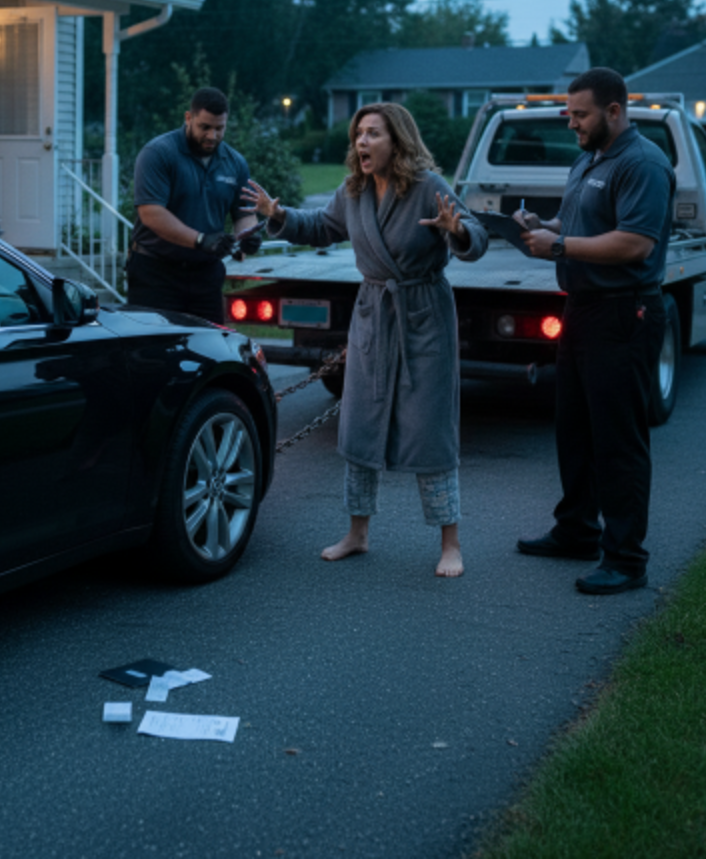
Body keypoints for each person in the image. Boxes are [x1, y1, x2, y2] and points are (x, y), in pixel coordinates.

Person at [241, 102, 488, 578]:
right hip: (374, 315)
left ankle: (450, 543)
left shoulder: (427, 188)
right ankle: (357, 533)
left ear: (397, 139)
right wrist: (280, 214)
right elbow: (320, 228)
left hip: (423, 316)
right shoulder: (352, 192)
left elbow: (474, 234)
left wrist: (457, 231)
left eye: (372, 133)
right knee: (360, 422)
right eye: (358, 134)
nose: (361, 142)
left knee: (430, 427)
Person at [515, 67, 674, 595]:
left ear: (614, 111)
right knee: (574, 429)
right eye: (569, 113)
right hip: (583, 309)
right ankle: (577, 531)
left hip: (624, 314)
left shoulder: (643, 163)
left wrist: (559, 248)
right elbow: (578, 223)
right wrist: (541, 229)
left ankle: (627, 559)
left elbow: (634, 243)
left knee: (618, 441)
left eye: (580, 115)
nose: (571, 123)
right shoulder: (589, 159)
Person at [127, 87, 263, 325]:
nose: (212, 136)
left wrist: (247, 235)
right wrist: (201, 239)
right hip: (156, 273)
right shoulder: (158, 153)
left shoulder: (235, 163)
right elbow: (150, 213)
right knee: (153, 355)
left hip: (205, 275)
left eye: (219, 128)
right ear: (188, 118)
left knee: (209, 351)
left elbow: (243, 211)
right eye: (205, 127)